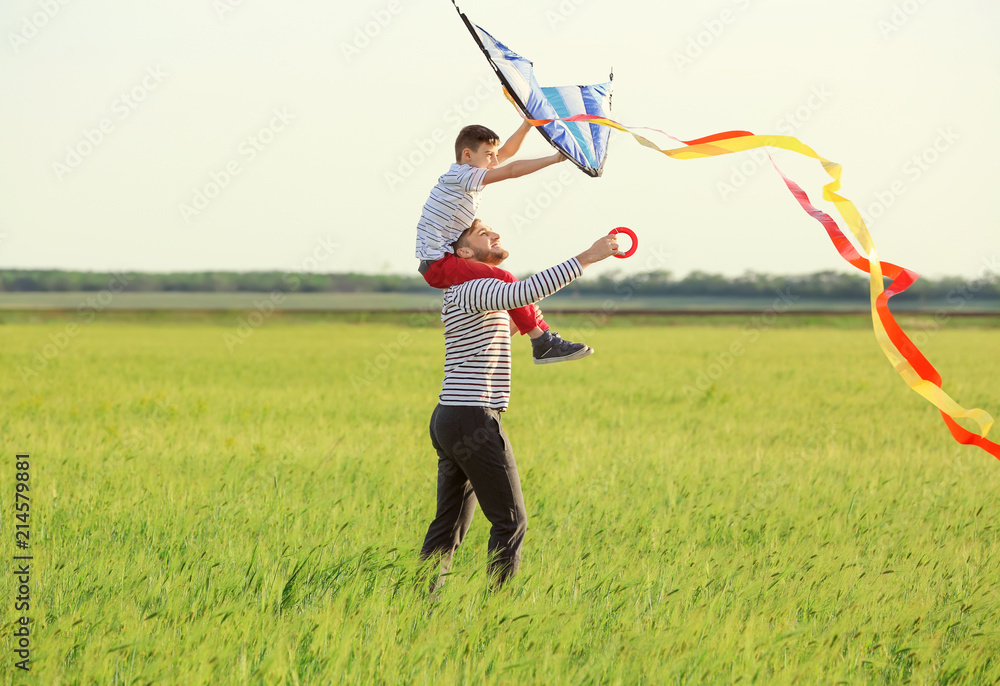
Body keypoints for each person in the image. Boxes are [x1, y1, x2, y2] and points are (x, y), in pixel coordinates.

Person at [419, 219, 620, 591]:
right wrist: (590, 256)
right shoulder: (473, 287)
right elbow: (525, 289)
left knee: (447, 526)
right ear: (463, 253)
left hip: (451, 416)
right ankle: (498, 610)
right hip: (473, 417)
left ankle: (419, 603)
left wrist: (528, 321)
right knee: (511, 521)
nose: (495, 235)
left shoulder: (470, 294)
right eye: (483, 235)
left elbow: (510, 312)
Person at [415, 122, 593, 364]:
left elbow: (507, 153)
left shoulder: (466, 175)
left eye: (493, 155)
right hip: (439, 263)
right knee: (507, 280)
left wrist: (527, 125)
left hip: (443, 260)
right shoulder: (463, 175)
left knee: (504, 286)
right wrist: (556, 158)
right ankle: (541, 341)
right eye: (488, 155)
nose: (494, 161)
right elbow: (511, 170)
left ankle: (541, 337)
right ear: (467, 155)